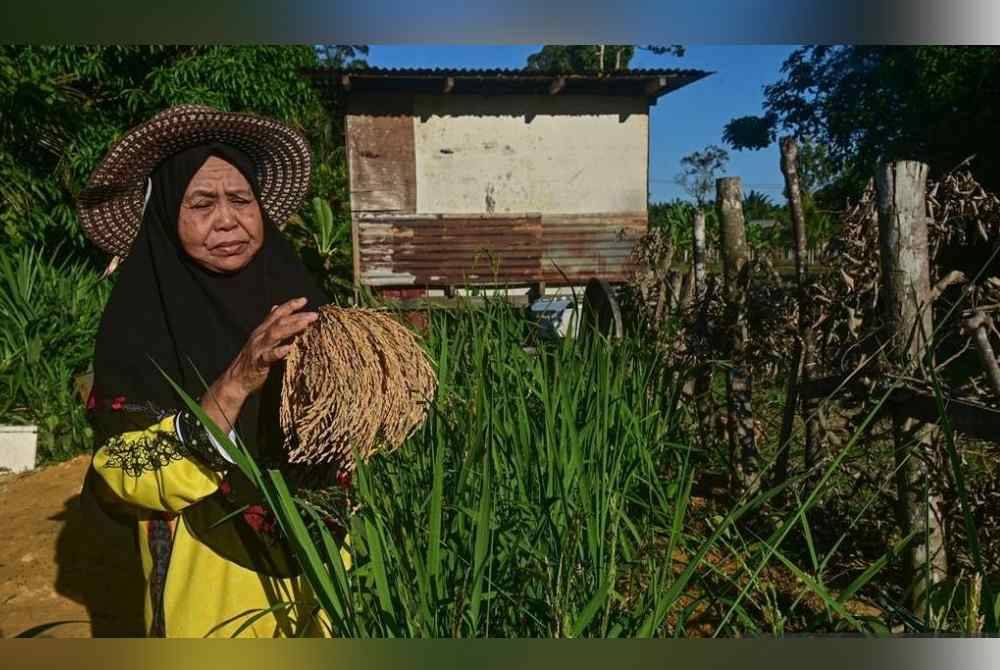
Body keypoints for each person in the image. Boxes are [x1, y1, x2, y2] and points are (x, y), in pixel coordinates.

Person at [76, 105, 344, 638]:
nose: (228, 219)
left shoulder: (303, 298)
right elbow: (127, 474)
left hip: (327, 563)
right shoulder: (140, 328)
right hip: (208, 573)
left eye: (241, 200)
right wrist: (239, 379)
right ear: (167, 218)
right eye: (202, 203)